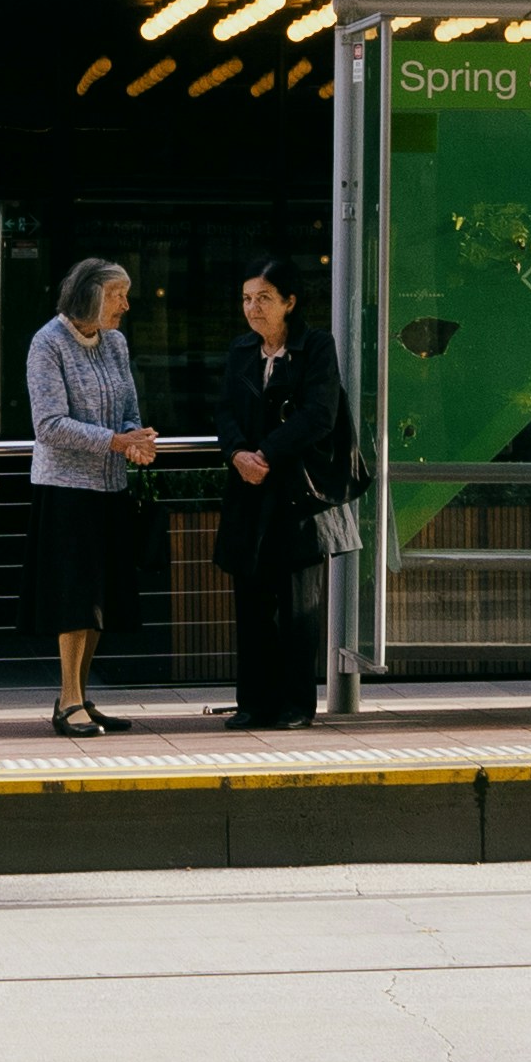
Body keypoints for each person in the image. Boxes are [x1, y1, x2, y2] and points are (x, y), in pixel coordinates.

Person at [22, 257, 158, 738]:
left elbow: (127, 410)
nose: (126, 303)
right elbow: (49, 425)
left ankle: (76, 698)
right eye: (118, 294)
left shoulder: (116, 343)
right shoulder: (48, 343)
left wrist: (135, 439)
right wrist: (116, 442)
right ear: (90, 296)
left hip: (109, 488)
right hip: (66, 490)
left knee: (99, 599)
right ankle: (69, 700)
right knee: (75, 598)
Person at [215, 259, 350, 731]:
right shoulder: (240, 351)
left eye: (264, 298)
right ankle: (253, 702)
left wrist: (264, 454)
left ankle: (296, 704)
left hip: (296, 493)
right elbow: (225, 410)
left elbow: (320, 414)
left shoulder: (316, 347)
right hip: (249, 489)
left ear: (290, 303)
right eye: (247, 298)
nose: (253, 308)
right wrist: (237, 454)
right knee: (251, 600)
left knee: (298, 604)